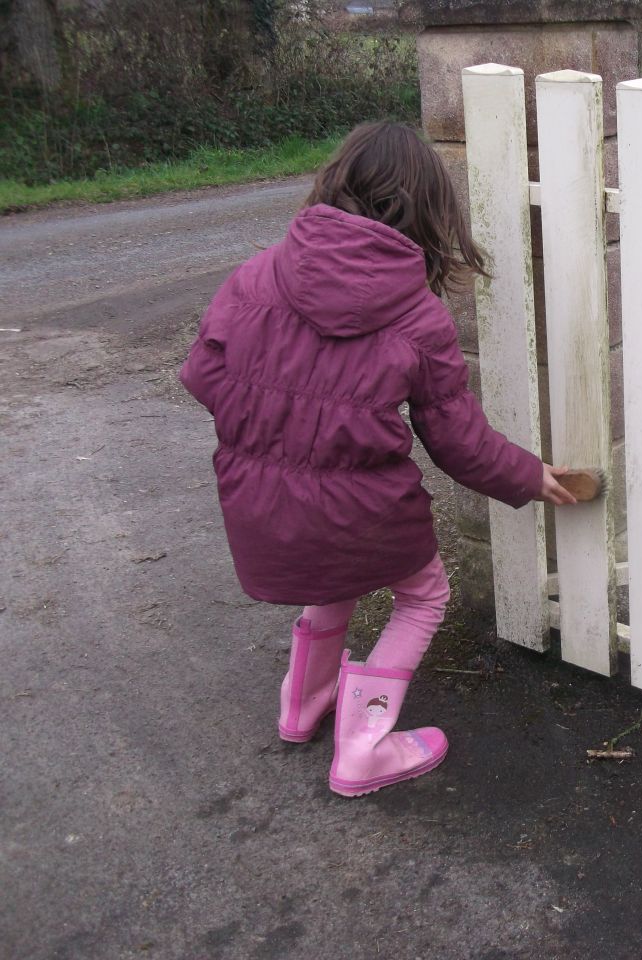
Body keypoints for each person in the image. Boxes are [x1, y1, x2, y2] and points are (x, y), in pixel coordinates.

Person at [180, 122, 577, 797]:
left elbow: (202, 375)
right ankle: (363, 746)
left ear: (334, 185)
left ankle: (301, 708)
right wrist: (527, 474)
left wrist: (276, 427)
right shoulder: (418, 318)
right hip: (363, 510)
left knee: (331, 583)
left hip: (256, 499)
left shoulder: (254, 276)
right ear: (426, 214)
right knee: (422, 594)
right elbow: (457, 442)